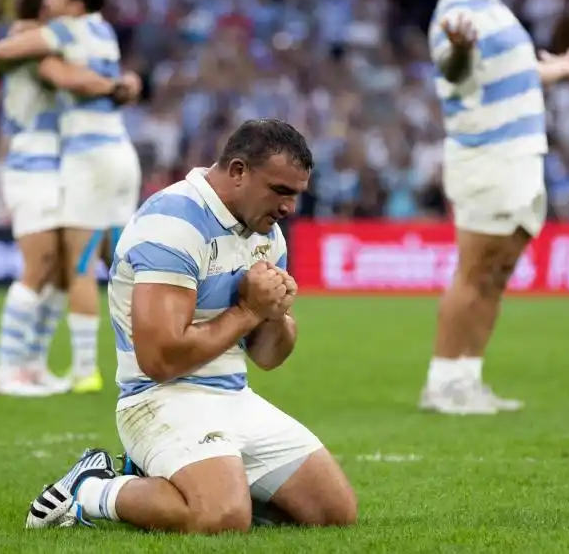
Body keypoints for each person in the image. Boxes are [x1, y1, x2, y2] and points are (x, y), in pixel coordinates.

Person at [24, 119, 357, 533]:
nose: (289, 207)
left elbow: (268, 357)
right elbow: (160, 359)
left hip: (235, 396)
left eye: (296, 195)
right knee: (221, 517)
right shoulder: (172, 221)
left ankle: (188, 480)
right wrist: (249, 311)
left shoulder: (265, 231)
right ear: (238, 171)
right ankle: (90, 490)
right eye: (280, 191)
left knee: (334, 514)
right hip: (159, 399)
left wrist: (276, 314)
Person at [417, 0, 569, 415]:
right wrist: (460, 52)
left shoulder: (491, 6)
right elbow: (455, 70)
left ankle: (467, 380)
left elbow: (501, 74)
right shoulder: (457, 13)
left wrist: (551, 72)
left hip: (518, 157)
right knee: (474, 271)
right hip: (488, 157)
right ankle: (441, 383)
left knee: (497, 273)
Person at [0, 0, 143, 394]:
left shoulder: (69, 34)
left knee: (65, 268)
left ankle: (40, 365)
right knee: (48, 265)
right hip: (37, 162)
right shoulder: (55, 37)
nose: (50, 4)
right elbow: (49, 70)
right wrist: (118, 85)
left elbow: (69, 72)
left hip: (69, 162)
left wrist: (120, 84)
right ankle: (9, 369)